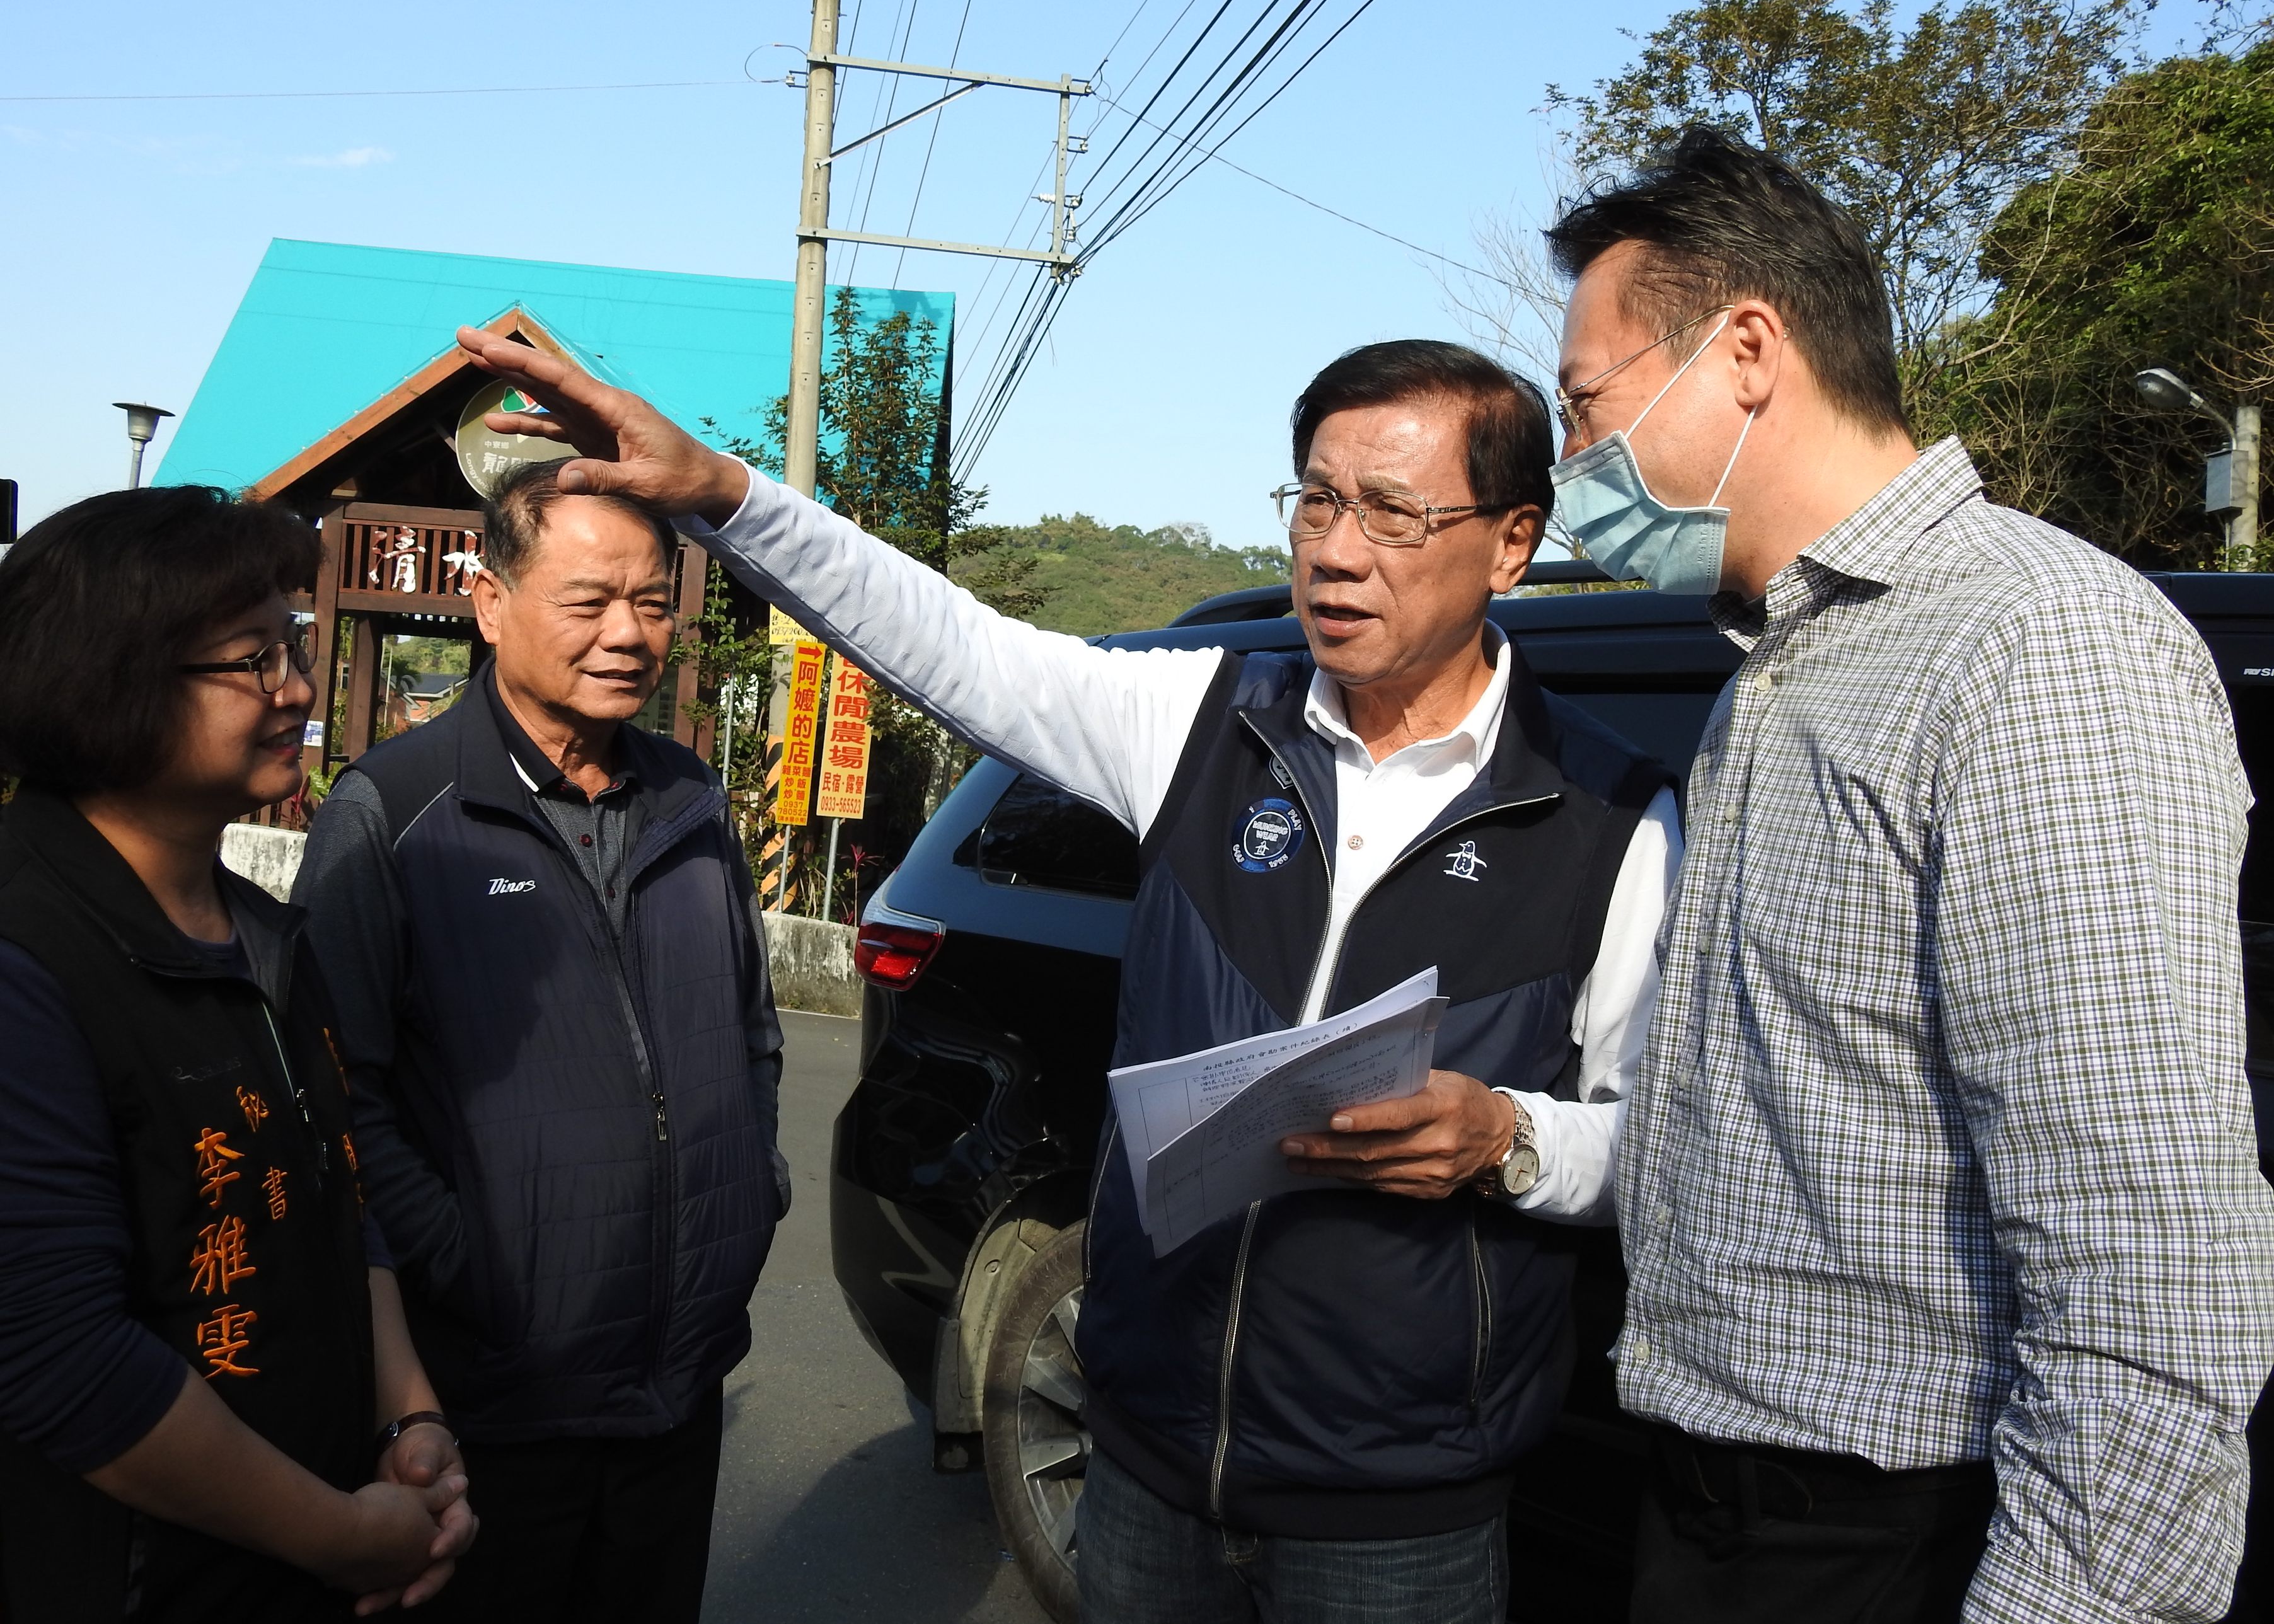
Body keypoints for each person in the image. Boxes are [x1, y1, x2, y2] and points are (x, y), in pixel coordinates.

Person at [448, 326, 1683, 1623]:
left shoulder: (1610, 817)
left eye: (1391, 511)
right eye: (1317, 498)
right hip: (1143, 1456)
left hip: (1400, 1511)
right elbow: (950, 643)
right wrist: (721, 491)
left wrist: (1507, 1140)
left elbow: (1660, 1151)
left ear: (1510, 542)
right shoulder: (1206, 721)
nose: (1334, 548)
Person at [1542, 125, 2274, 1621]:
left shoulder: (2036, 647)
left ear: (1745, 351)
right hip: (1719, 1508)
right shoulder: (1783, 662)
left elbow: (2145, 1263)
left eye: (1584, 404)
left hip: (1896, 1535)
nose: (1572, 467)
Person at [293, 461, 787, 1624]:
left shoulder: (693, 803)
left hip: (677, 1386)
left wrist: (749, 1192)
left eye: (652, 602)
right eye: (589, 600)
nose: (628, 633)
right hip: (492, 1404)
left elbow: (754, 1032)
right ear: (490, 601)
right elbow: (335, 1095)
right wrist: (468, 1263)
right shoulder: (394, 813)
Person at [0, 486, 476, 1621]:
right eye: (254, 660)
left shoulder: (266, 934)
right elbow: (65, 1360)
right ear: (108, 681)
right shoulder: (26, 957)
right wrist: (342, 1536)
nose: (298, 689)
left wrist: (410, 1418)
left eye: (293, 646)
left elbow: (340, 1193)